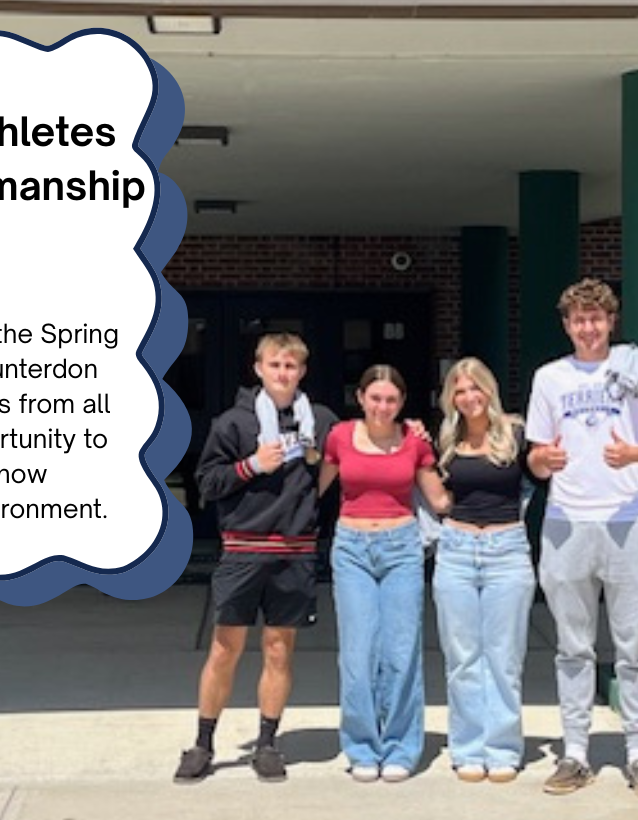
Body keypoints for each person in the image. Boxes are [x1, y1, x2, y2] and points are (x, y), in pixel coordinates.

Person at [525, 278, 638, 799]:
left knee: (634, 648)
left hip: (630, 521)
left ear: (610, 320)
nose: (587, 327)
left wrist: (635, 455)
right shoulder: (549, 378)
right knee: (572, 647)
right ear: (566, 324)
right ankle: (575, 752)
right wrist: (541, 461)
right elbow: (534, 456)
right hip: (568, 522)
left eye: (596, 318)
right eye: (578, 319)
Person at [178, 332, 337, 784]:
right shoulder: (234, 422)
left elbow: (347, 454)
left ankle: (268, 743)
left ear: (302, 371)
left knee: (278, 651)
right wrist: (252, 466)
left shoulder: (320, 419)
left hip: (295, 551)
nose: (283, 373)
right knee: (225, 650)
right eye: (275, 365)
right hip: (244, 551)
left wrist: (309, 500)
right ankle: (202, 744)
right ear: (259, 368)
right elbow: (207, 482)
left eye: (291, 366)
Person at [318, 365, 445, 782]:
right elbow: (313, 487)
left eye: (391, 400)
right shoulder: (339, 437)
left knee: (401, 651)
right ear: (360, 398)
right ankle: (361, 746)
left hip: (402, 548)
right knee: (357, 653)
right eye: (375, 398)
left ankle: (400, 747)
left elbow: (440, 498)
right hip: (352, 548)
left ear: (401, 403)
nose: (382, 407)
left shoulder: (414, 442)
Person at [429, 357, 537, 784]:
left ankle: (503, 747)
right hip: (455, 549)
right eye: (460, 390)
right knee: (462, 657)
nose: (469, 397)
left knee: (504, 657)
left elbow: (544, 471)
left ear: (489, 391)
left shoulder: (516, 434)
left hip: (506, 549)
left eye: (476, 388)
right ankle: (468, 747)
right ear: (450, 397)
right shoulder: (447, 438)